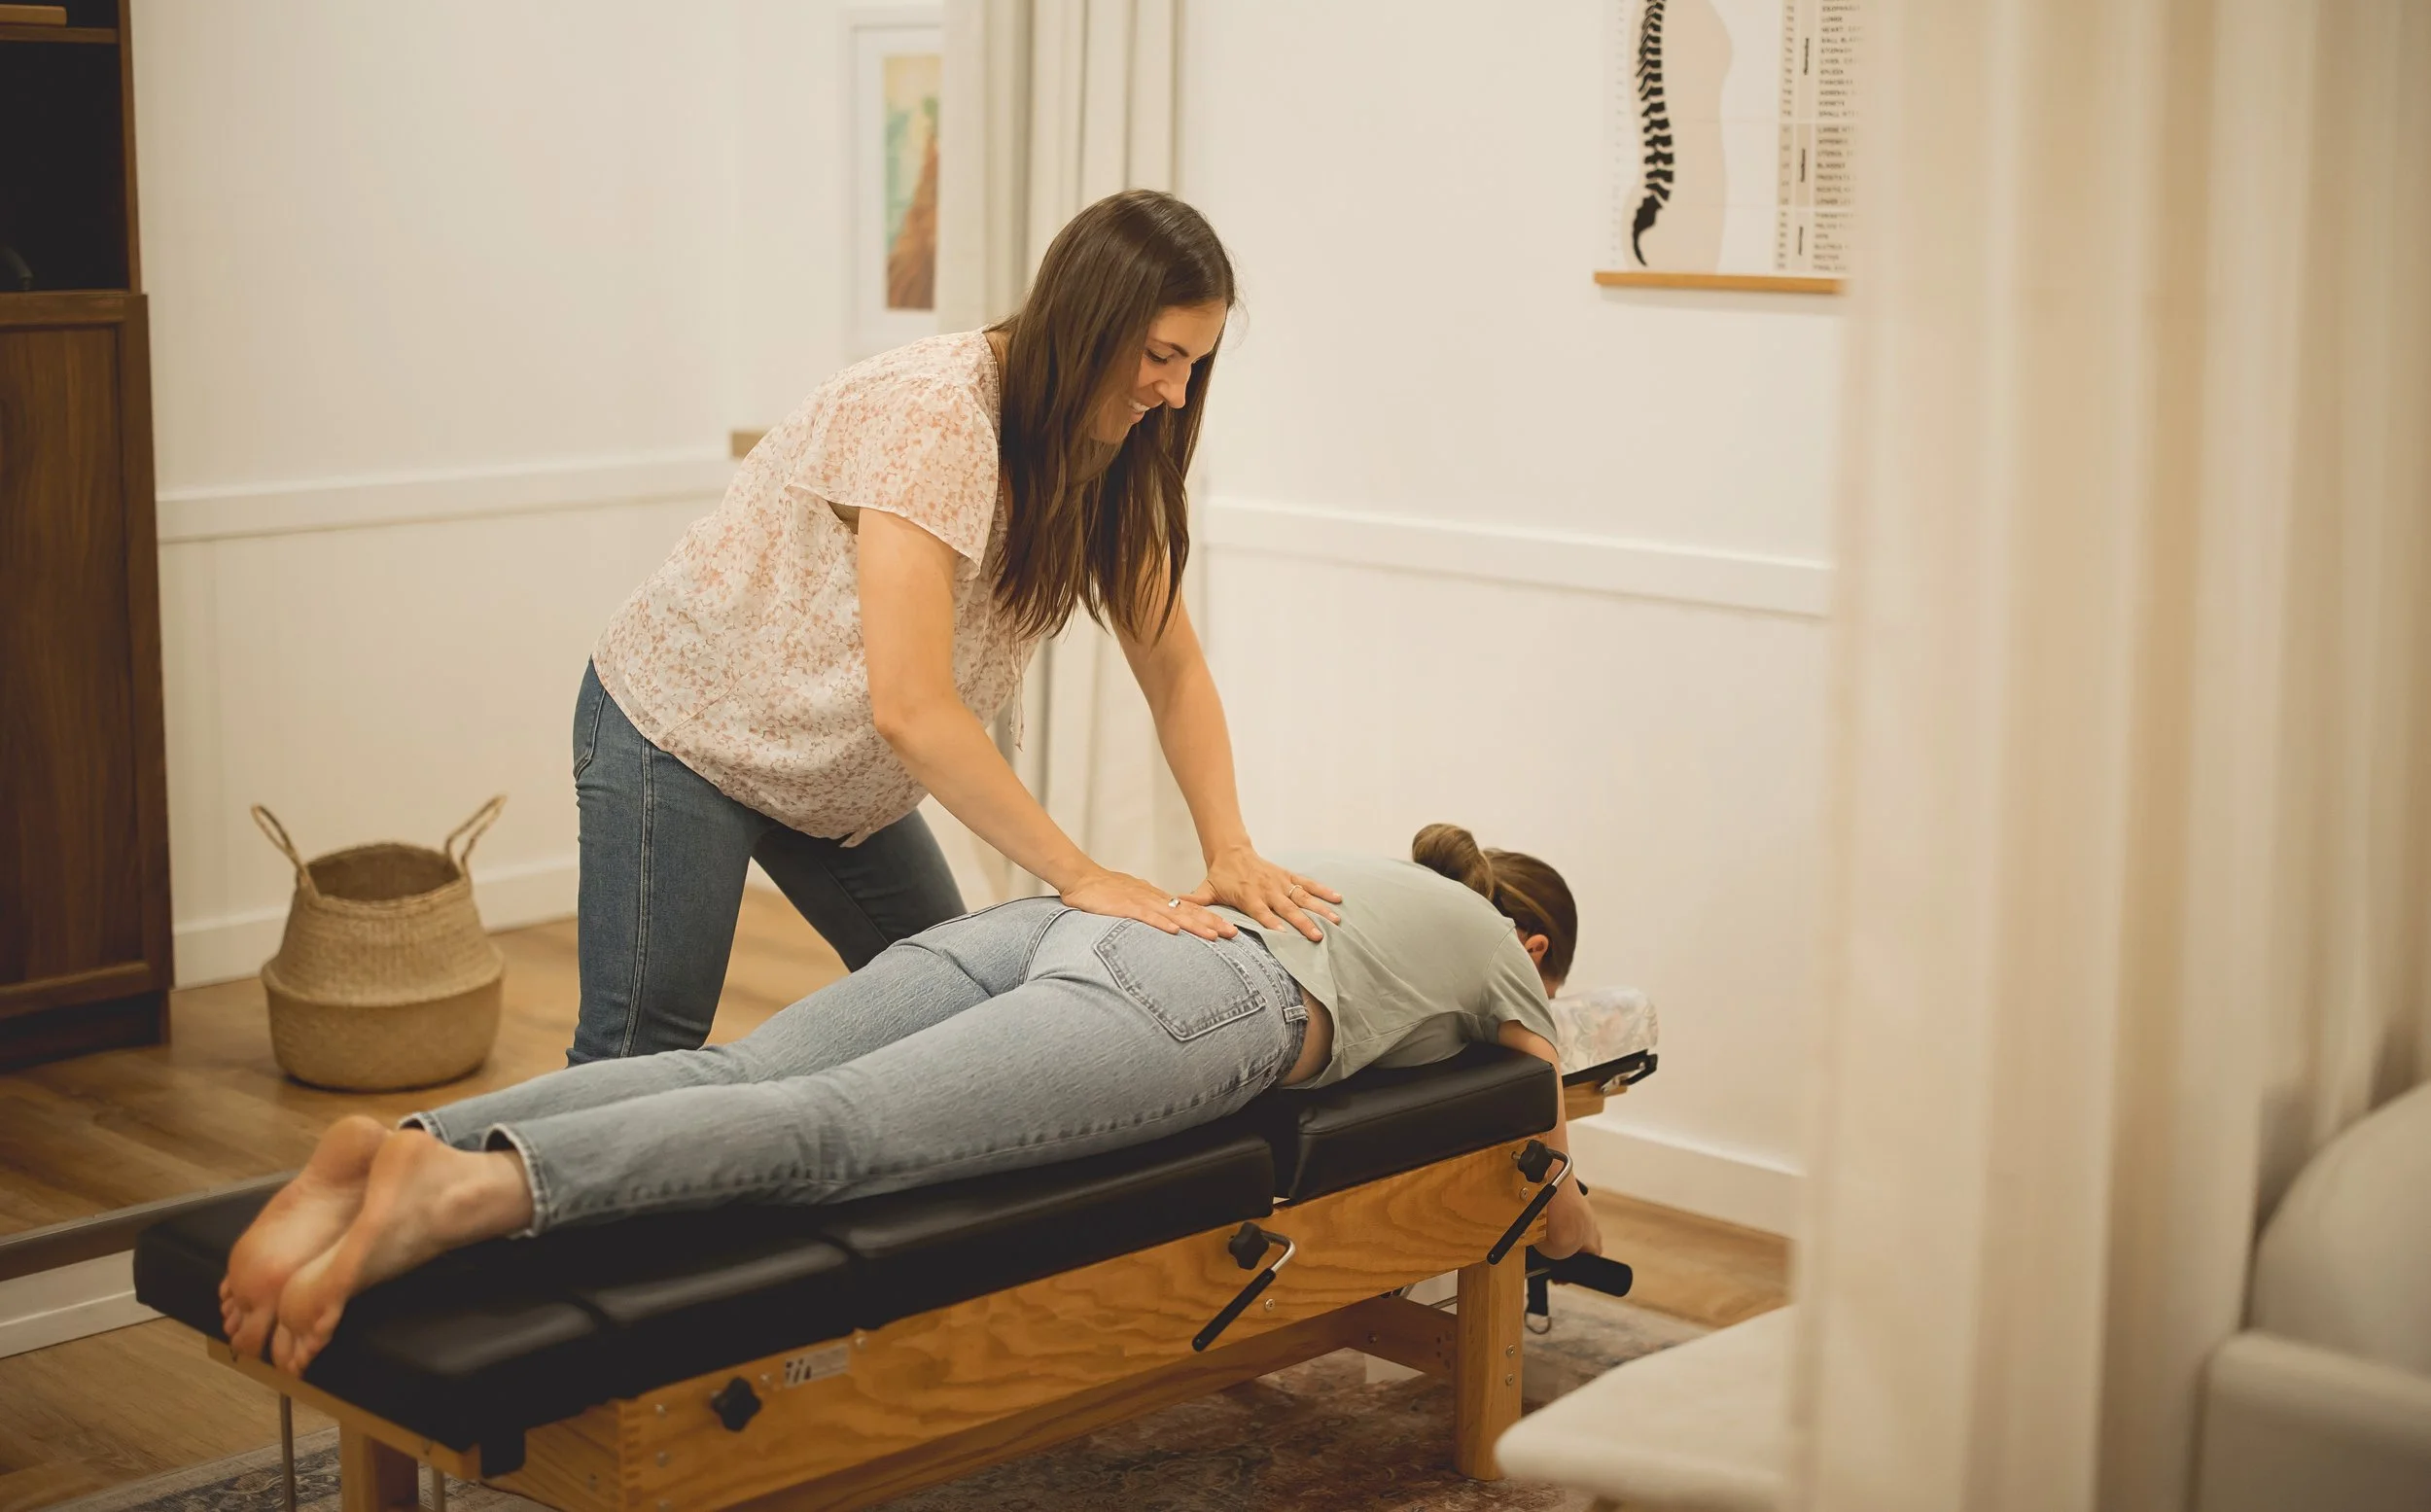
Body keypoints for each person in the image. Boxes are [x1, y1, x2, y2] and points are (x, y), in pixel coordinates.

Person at [221, 824, 1602, 1375]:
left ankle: (415, 1137)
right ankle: (481, 1188)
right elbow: (1535, 1140)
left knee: (750, 1068)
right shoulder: (1504, 960)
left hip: (1075, 919)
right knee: (843, 1136)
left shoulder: (1348, 852)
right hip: (1201, 1002)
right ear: (1536, 946)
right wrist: (1576, 1235)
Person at [569, 190, 1341, 1063]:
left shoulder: (1111, 451)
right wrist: (1083, 875)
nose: (1174, 392)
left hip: (836, 776)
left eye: (1194, 366)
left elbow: (1174, 670)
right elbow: (914, 705)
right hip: (687, 732)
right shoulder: (933, 411)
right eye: (1162, 355)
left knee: (962, 1012)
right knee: (640, 1050)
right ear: (1088, 319)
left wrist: (1230, 848)